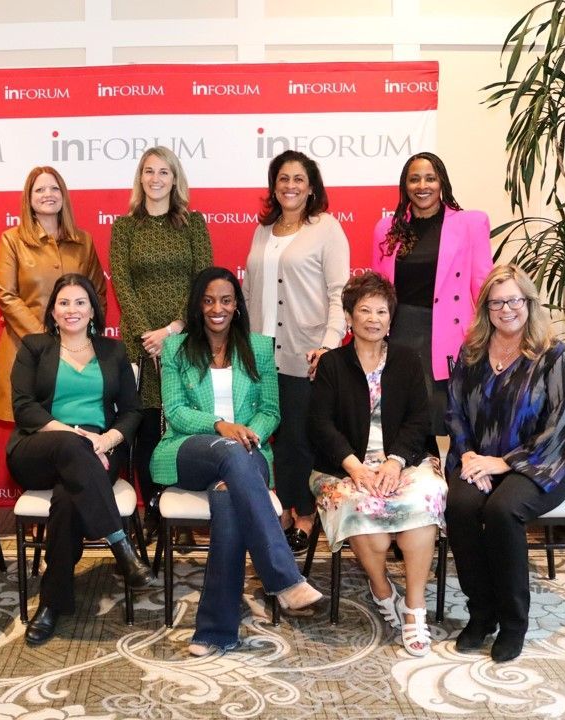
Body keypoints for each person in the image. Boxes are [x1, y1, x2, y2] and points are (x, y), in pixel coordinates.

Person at [151, 267, 322, 655]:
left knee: (229, 500)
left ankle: (215, 631)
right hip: (187, 449)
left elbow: (271, 410)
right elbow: (175, 412)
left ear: (237, 305)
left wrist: (248, 434)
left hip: (250, 452)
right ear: (198, 305)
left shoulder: (259, 347)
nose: (217, 308)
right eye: (209, 300)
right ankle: (284, 577)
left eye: (226, 300)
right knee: (229, 452)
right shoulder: (177, 347)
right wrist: (222, 426)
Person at [445, 264, 565, 662]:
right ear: (486, 307)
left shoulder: (553, 354)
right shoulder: (471, 352)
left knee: (503, 510)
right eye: (497, 302)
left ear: (529, 302)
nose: (506, 309)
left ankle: (514, 622)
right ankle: (481, 612)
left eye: (514, 300)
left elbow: (563, 424)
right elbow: (455, 412)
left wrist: (503, 463)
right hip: (478, 460)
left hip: (542, 463)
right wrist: (469, 455)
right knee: (461, 505)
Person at [7, 273, 151, 646]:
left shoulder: (113, 351)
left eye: (80, 302)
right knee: (73, 448)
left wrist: (106, 439)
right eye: (64, 303)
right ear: (53, 312)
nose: (72, 310)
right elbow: (23, 408)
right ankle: (121, 545)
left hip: (100, 448)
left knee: (68, 500)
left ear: (93, 311)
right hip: (39, 444)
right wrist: (74, 436)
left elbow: (131, 411)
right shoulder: (34, 347)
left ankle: (52, 603)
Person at [307, 272, 446, 657]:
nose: (373, 318)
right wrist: (356, 467)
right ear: (349, 317)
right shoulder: (332, 364)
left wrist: (395, 462)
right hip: (344, 465)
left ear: (391, 318)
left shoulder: (406, 360)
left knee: (425, 500)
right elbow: (319, 425)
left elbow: (420, 419)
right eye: (364, 310)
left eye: (381, 311)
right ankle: (383, 590)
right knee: (358, 506)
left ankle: (414, 608)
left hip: (404, 461)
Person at [243, 150, 349, 555]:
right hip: (261, 354)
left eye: (298, 179)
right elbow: (251, 291)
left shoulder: (326, 228)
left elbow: (339, 292)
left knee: (301, 439)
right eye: (283, 178)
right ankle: (283, 509)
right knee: (272, 437)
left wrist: (329, 344)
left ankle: (304, 515)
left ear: (311, 187)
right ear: (274, 185)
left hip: (306, 353)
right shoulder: (262, 230)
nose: (290, 186)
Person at [109, 146, 213, 536]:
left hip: (185, 340)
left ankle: (183, 505)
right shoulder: (124, 227)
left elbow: (204, 282)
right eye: (148, 171)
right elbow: (122, 282)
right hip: (139, 344)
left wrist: (172, 332)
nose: (155, 178)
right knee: (147, 425)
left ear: (175, 178)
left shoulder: (194, 223)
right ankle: (153, 507)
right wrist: (148, 337)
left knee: (185, 422)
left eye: (163, 172)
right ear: (140, 178)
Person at [372, 152, 492, 433]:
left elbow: (484, 285)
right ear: (405, 186)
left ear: (442, 183)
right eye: (414, 179)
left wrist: (490, 338)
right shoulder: (386, 229)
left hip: (448, 338)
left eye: (430, 178)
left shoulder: (470, 224)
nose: (422, 186)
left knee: (444, 420)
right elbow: (376, 291)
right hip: (399, 335)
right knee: (400, 419)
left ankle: (449, 477)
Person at [0, 166, 106, 423]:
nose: (48, 194)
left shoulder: (83, 241)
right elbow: (6, 295)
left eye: (54, 188)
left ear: (63, 195)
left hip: (78, 354)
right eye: (39, 189)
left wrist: (82, 339)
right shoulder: (12, 240)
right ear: (29, 199)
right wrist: (45, 340)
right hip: (26, 350)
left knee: (75, 428)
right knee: (34, 432)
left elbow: (98, 293)